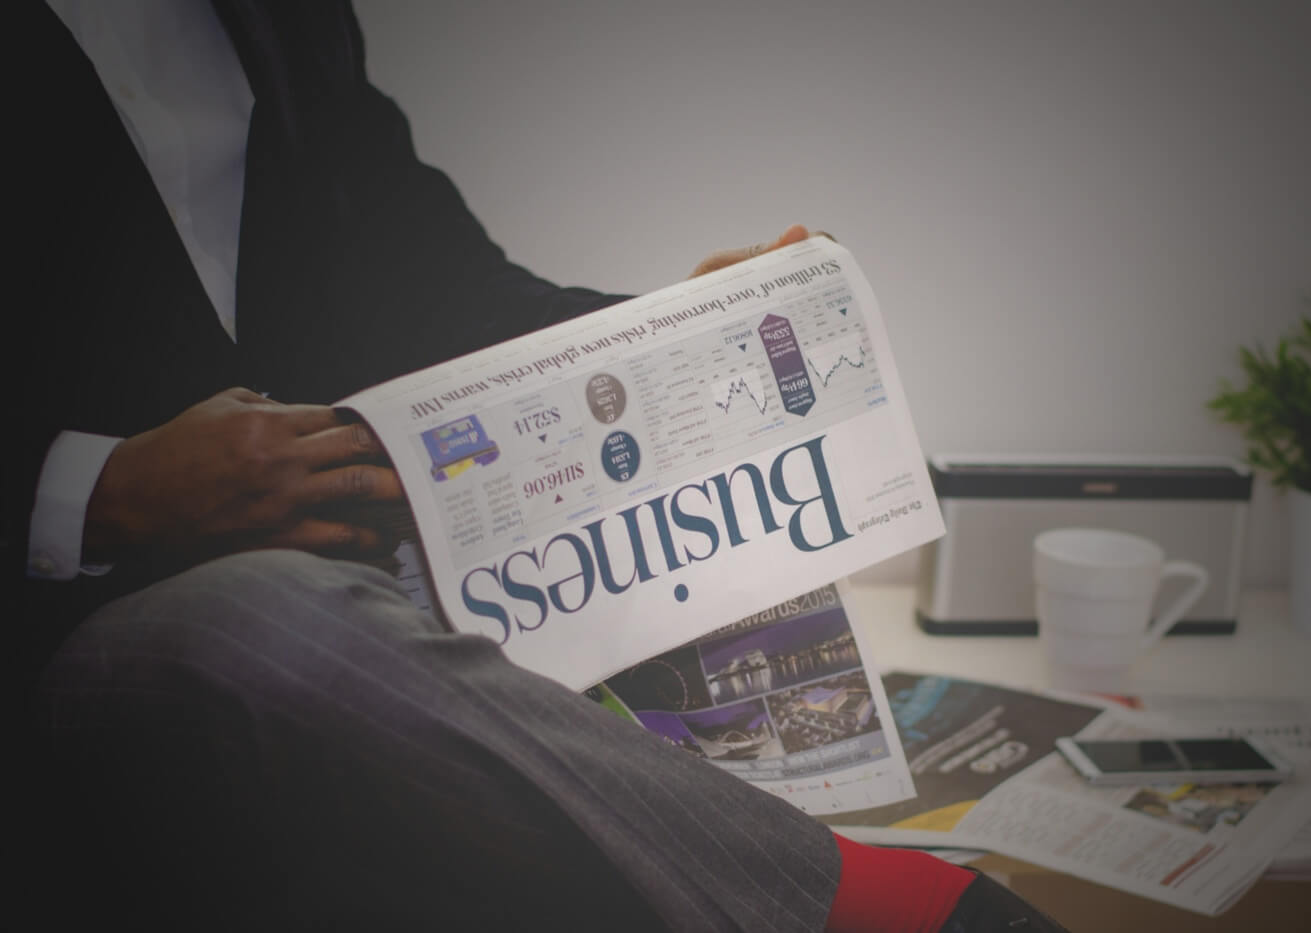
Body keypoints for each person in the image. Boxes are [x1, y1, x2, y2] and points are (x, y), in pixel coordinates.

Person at [16, 2, 1071, 929]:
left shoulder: (286, 17)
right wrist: (99, 493)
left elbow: (442, 290)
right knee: (257, 620)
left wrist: (670, 330)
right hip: (86, 626)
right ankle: (909, 914)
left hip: (371, 586)